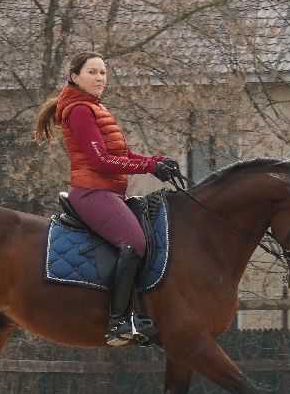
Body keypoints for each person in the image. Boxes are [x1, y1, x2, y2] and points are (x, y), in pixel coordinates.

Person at [35, 51, 181, 345]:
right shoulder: (79, 110)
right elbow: (100, 161)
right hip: (91, 192)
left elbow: (122, 156)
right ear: (74, 77)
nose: (100, 78)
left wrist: (157, 161)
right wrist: (149, 167)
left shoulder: (94, 108)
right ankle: (118, 322)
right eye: (93, 72)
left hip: (109, 191)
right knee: (135, 242)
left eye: (103, 72)